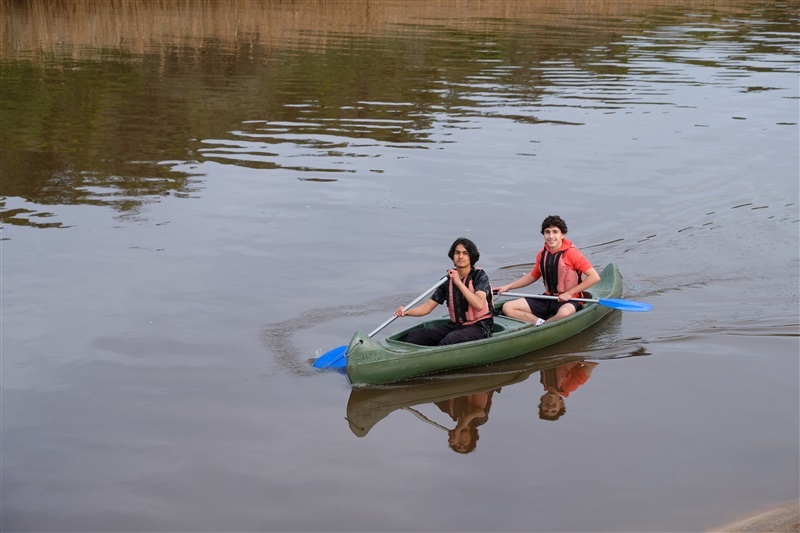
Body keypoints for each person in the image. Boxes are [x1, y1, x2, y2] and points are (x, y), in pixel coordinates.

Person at [495, 215, 600, 325]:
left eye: (555, 232)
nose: (551, 236)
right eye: (547, 232)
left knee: (564, 314)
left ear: (562, 234)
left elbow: (594, 277)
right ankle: (540, 323)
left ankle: (545, 326)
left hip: (571, 299)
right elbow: (533, 276)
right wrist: (508, 287)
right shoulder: (542, 254)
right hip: (549, 297)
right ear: (544, 234)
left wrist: (569, 293)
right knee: (508, 307)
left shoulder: (572, 253)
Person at [394, 237, 493, 346]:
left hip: (480, 326)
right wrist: (407, 312)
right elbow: (427, 308)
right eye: (457, 253)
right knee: (416, 335)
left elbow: (479, 305)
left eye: (465, 253)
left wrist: (458, 282)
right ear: (453, 256)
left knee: (450, 340)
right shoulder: (447, 281)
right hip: (457, 325)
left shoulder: (480, 276)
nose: (460, 256)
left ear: (471, 257)